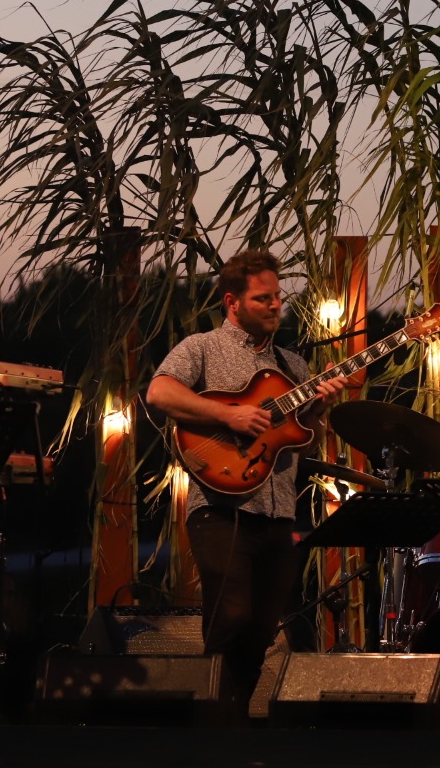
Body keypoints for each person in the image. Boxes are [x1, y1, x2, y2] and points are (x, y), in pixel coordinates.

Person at [146, 250, 346, 711]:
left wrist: (318, 411)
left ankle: (229, 715)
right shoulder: (201, 348)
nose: (276, 305)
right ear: (232, 302)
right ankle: (211, 717)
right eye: (263, 298)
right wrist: (228, 414)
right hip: (221, 508)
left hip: (278, 514)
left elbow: (305, 445)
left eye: (278, 296)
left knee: (261, 627)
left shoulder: (294, 365)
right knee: (231, 615)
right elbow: (160, 391)